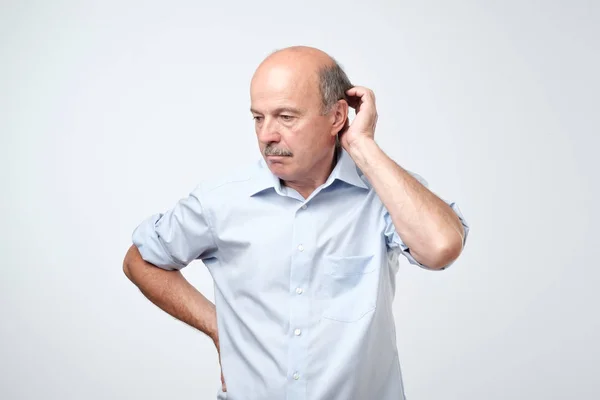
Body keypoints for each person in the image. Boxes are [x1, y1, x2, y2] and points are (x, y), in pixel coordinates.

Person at [123, 45, 469, 400]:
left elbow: (441, 247)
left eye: (286, 117)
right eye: (259, 117)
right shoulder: (221, 200)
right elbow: (141, 259)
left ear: (337, 117)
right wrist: (217, 328)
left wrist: (362, 145)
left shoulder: (385, 193)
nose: (266, 135)